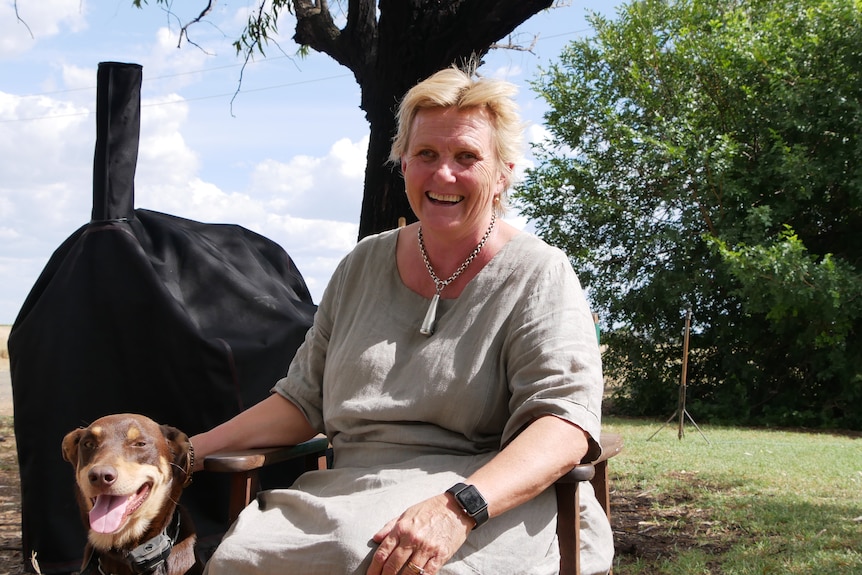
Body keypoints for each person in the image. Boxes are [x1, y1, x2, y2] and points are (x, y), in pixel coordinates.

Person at [191, 65, 614, 575]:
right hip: (347, 494)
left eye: (467, 157)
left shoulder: (539, 272)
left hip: (488, 498)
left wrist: (459, 508)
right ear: (403, 161)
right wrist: (184, 453)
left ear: (502, 172)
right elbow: (303, 400)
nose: (443, 175)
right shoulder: (361, 265)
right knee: (245, 559)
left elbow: (564, 422)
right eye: (426, 154)